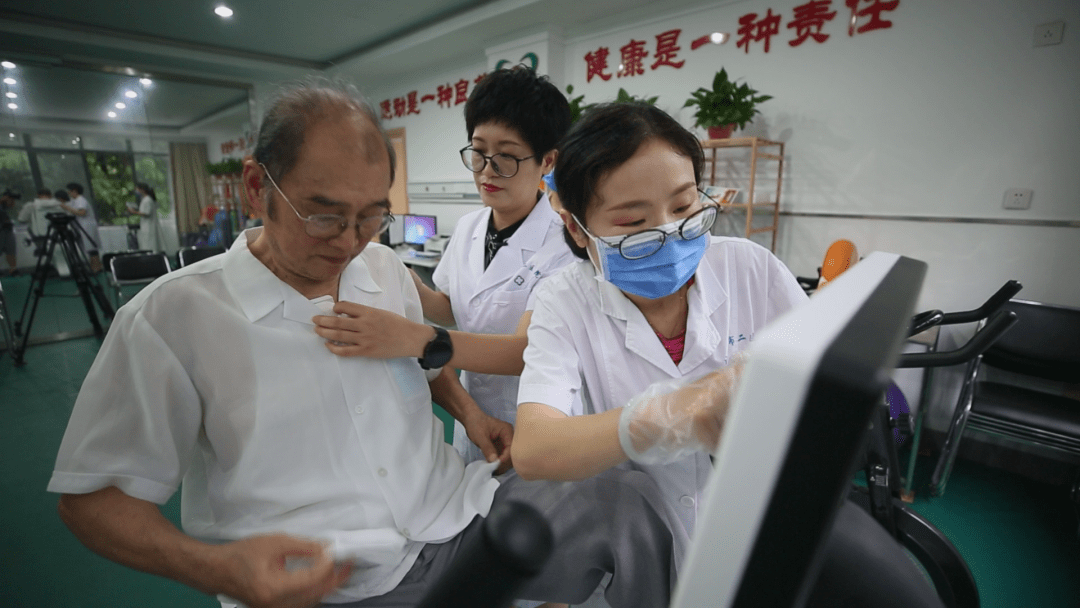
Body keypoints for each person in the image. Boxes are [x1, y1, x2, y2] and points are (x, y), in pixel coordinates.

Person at [48, 80, 684, 608]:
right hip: (330, 580)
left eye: (372, 215)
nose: (350, 240)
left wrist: (471, 413)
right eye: (324, 214)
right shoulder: (173, 318)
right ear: (255, 188)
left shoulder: (381, 268)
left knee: (625, 501)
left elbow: (420, 359)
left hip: (455, 517)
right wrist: (217, 569)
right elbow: (92, 500)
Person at [511, 103, 809, 541]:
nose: (670, 233)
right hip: (638, 540)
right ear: (577, 229)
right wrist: (658, 418)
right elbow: (535, 450)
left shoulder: (750, 268)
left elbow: (824, 374)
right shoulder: (563, 302)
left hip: (756, 520)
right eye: (634, 222)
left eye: (684, 205)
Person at [61, 182, 102, 272]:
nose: (68, 193)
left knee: (91, 248)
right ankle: (94, 266)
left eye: (69, 191)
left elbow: (82, 213)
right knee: (88, 248)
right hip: (82, 226)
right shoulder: (74, 201)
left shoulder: (81, 200)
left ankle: (96, 267)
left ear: (74, 191)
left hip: (87, 226)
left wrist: (67, 208)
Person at [131, 182, 164, 252]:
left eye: (137, 189)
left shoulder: (148, 200)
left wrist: (134, 212)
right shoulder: (145, 199)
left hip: (149, 226)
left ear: (142, 190)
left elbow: (147, 213)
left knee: (150, 245)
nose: (136, 191)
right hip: (146, 226)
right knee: (147, 244)